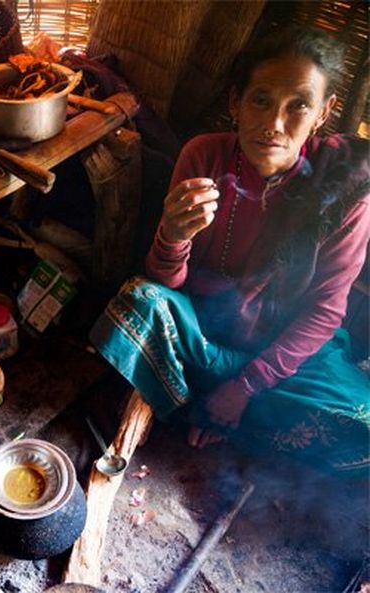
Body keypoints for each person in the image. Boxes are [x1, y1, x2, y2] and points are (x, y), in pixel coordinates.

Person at [90, 25, 370, 477]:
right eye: (260, 100)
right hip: (201, 331)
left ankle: (196, 403)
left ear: (323, 113)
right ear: (234, 102)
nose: (274, 125)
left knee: (363, 425)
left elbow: (324, 311)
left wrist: (244, 386)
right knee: (135, 306)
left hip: (280, 353)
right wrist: (173, 235)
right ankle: (216, 411)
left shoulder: (343, 192)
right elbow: (165, 286)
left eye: (298, 105)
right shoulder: (204, 157)